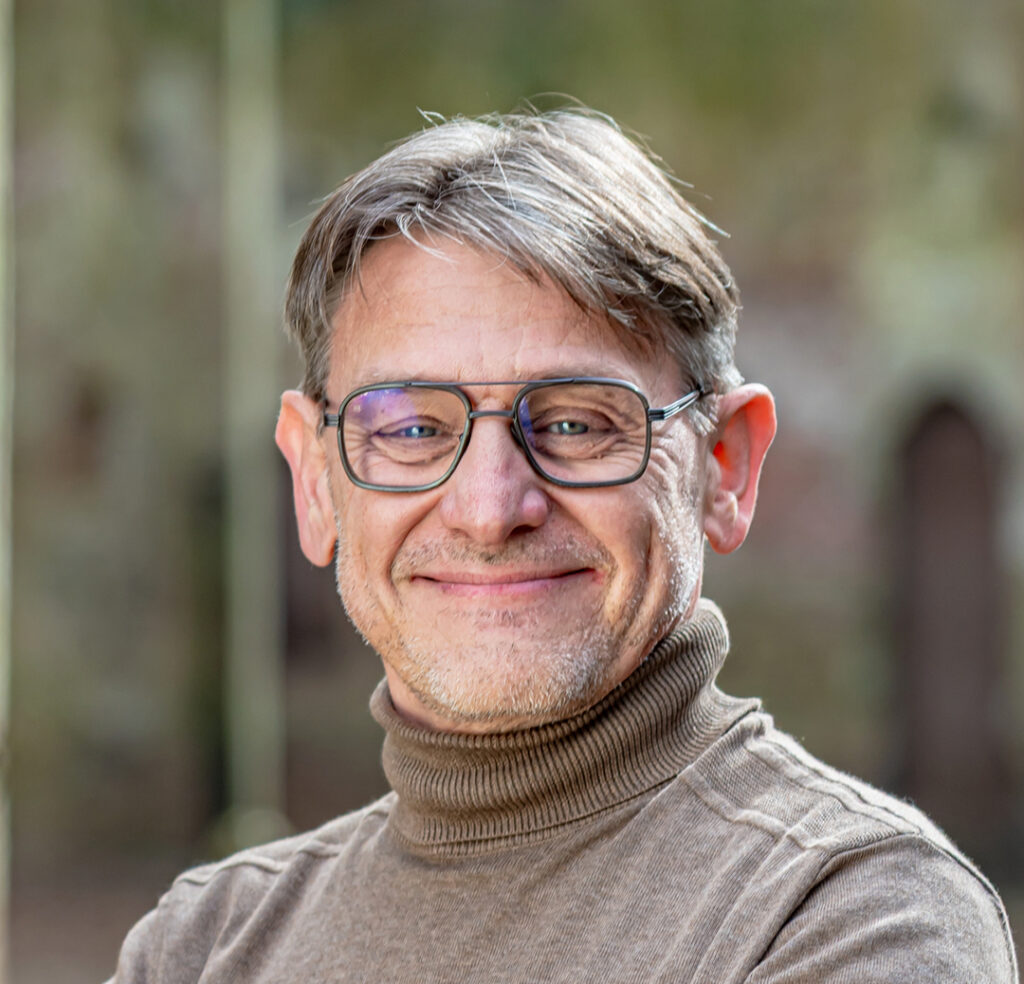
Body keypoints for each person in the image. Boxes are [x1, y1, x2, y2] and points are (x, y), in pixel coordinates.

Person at [109, 107, 1017, 982]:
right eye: (412, 429)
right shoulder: (203, 946)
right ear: (315, 483)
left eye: (578, 423)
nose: (488, 509)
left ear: (725, 468)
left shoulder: (856, 917)